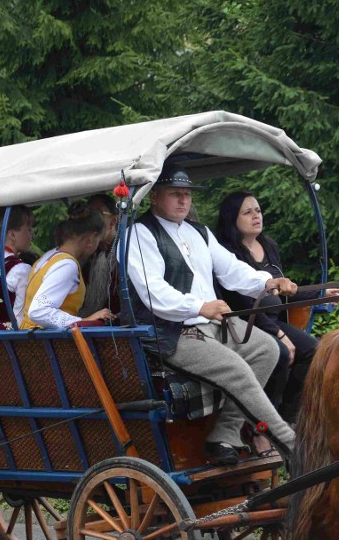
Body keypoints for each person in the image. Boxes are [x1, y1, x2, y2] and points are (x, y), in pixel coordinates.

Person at [123, 164, 297, 464]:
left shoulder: (199, 232)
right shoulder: (139, 235)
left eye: (187, 194)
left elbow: (231, 270)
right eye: (174, 194)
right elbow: (153, 292)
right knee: (237, 369)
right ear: (154, 197)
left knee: (268, 349)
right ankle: (291, 443)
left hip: (212, 325)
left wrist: (266, 282)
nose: (183, 200)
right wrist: (200, 306)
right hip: (169, 333)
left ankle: (224, 435)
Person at [215, 192, 339, 422]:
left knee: (313, 350)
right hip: (246, 324)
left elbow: (283, 291)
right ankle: (262, 423)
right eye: (247, 212)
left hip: (273, 321)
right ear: (232, 218)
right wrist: (278, 334)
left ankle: (287, 418)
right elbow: (243, 303)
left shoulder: (269, 245)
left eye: (258, 211)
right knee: (282, 353)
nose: (256, 216)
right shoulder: (227, 254)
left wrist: (320, 294)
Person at [21, 203, 115, 329]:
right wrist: (83, 320)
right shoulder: (67, 265)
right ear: (90, 239)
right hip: (46, 342)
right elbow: (39, 311)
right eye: (98, 241)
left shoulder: (49, 256)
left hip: (32, 337)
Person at [79, 194, 121, 317]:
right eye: (88, 215)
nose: (91, 221)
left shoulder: (126, 250)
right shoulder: (88, 253)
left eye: (96, 214)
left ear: (113, 221)